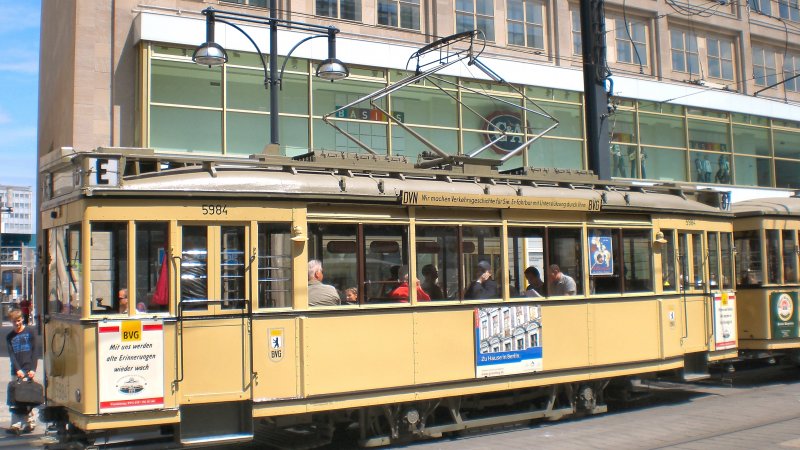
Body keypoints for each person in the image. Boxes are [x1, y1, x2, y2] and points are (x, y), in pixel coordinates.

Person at [6, 309, 37, 435]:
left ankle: (30, 422)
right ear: (11, 322)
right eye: (14, 322)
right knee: (16, 399)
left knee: (28, 398)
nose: (17, 324)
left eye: (18, 321)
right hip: (16, 371)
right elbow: (12, 355)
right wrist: (18, 369)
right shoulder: (9, 337)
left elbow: (34, 352)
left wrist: (33, 369)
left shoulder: (30, 332)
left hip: (28, 369)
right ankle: (15, 425)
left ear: (22, 319)